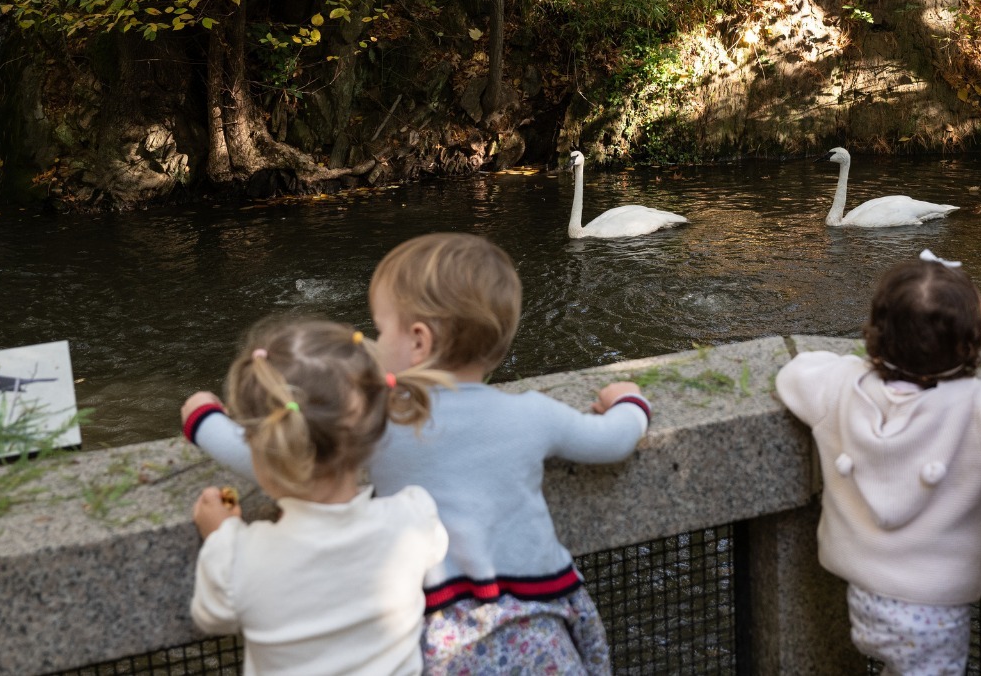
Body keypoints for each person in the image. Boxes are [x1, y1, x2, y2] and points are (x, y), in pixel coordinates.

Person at [183, 233, 651, 675]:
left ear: (419, 341)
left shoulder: (386, 420)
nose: (374, 340)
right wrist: (630, 400)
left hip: (446, 639)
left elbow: (290, 454)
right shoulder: (533, 414)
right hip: (541, 629)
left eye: (381, 328)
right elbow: (611, 441)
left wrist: (205, 422)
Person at [775, 249, 981, 676]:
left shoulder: (839, 387)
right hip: (936, 612)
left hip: (865, 597)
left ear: (875, 332)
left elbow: (794, 374)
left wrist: (856, 366)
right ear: (970, 344)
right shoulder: (980, 408)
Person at [188, 318, 451, 676]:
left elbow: (210, 615)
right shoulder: (413, 519)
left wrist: (221, 536)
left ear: (258, 452)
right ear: (375, 434)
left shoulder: (238, 560)